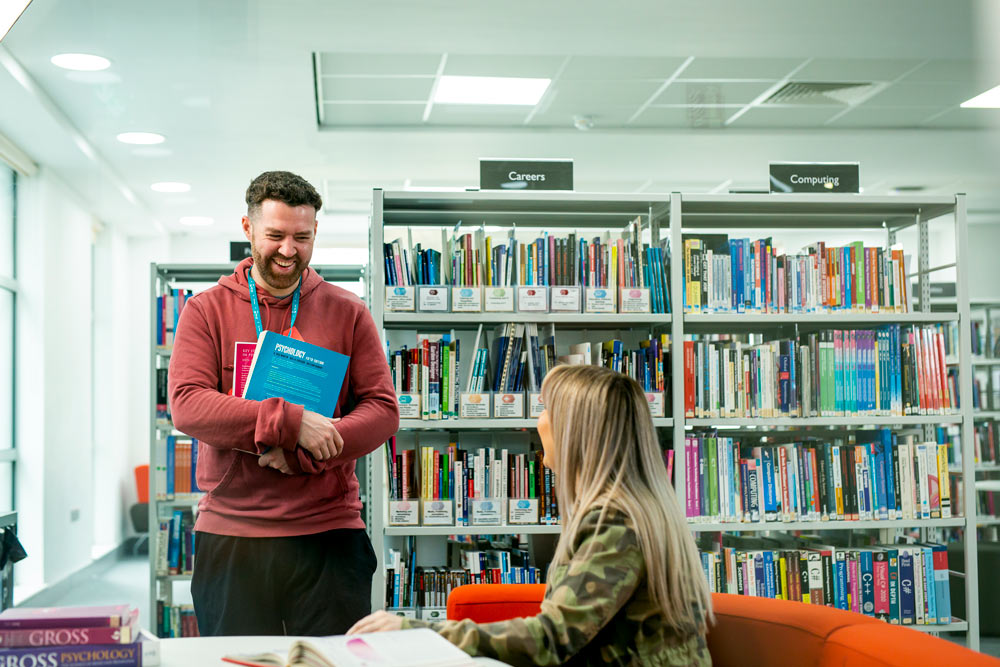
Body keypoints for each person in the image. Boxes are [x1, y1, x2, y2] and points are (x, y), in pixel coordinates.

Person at [349, 364, 713, 666]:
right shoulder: (632, 509)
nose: (539, 421)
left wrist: (419, 632)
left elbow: (553, 638)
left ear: (577, 432)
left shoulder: (616, 520)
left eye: (549, 410)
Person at [168, 170, 399, 636]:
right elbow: (189, 405)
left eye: (302, 237)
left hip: (329, 534)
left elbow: (381, 410)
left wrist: (310, 452)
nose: (289, 250)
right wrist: (290, 424)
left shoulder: (348, 310)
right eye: (275, 235)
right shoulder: (205, 310)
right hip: (234, 533)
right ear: (248, 228)